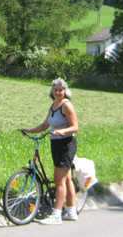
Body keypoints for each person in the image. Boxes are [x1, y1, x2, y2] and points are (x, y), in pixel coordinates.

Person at [21, 78, 79, 225]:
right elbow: (45, 125)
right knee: (67, 179)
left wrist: (61, 131)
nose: (58, 92)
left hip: (66, 144)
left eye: (61, 90)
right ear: (52, 92)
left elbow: (75, 127)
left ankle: (56, 215)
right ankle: (71, 211)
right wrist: (29, 131)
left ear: (65, 91)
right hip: (56, 144)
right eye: (55, 90)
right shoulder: (53, 106)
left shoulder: (67, 106)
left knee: (59, 180)